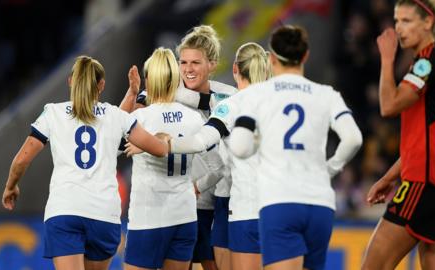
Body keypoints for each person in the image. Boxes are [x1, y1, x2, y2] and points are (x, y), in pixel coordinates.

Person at [1, 55, 169, 270]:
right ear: (101, 85)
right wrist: (165, 137)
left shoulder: (53, 112)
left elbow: (22, 159)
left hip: (65, 211)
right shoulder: (115, 115)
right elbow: (157, 148)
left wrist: (11, 185)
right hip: (103, 215)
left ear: (70, 80)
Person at [228, 25, 363, 270]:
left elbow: (238, 146)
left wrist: (260, 144)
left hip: (280, 201)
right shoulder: (327, 94)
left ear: (270, 58)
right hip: (321, 203)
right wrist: (331, 169)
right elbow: (353, 138)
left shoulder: (257, 94)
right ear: (305, 55)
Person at [362, 1, 435, 269]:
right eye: (397, 20)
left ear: (428, 22)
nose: (398, 28)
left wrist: (387, 59)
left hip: (426, 182)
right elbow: (428, 138)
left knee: (374, 265)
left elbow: (389, 106)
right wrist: (389, 177)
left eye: (407, 21)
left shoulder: (429, 59)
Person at [120, 25, 237, 270]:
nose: (188, 69)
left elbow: (118, 135)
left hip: (219, 201)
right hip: (188, 207)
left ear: (212, 64)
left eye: (195, 62)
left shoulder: (227, 96)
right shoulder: (181, 102)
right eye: (183, 62)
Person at [168, 42, 270, 270]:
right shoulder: (279, 106)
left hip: (238, 203)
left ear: (235, 69)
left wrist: (166, 143)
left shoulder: (231, 105)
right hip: (279, 205)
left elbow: (202, 140)